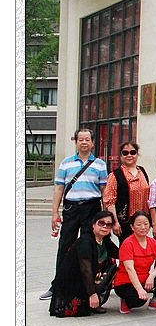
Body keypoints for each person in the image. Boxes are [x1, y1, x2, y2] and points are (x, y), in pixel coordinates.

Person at [41, 128, 108, 301]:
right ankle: (57, 285)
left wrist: (106, 215)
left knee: (89, 246)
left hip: (91, 208)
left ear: (93, 143)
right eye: (81, 139)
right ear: (76, 142)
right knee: (65, 245)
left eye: (87, 139)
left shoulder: (100, 164)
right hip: (71, 208)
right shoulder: (66, 163)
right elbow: (59, 188)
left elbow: (104, 191)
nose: (84, 142)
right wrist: (54, 212)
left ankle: (88, 286)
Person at [49, 211, 119, 317]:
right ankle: (90, 299)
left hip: (86, 279)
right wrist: (92, 294)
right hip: (74, 282)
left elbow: (121, 254)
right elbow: (86, 270)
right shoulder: (85, 242)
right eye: (101, 223)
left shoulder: (105, 240)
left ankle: (92, 300)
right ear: (93, 225)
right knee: (80, 309)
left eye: (108, 224)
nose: (105, 227)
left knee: (112, 267)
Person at [113, 211, 156, 314]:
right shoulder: (128, 243)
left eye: (146, 224)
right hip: (125, 282)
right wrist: (139, 289)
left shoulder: (152, 242)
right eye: (139, 224)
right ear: (132, 227)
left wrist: (151, 276)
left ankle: (154, 301)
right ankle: (125, 300)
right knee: (138, 300)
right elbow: (130, 269)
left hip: (144, 279)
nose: (143, 227)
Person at [103, 141, 150, 244]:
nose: (129, 155)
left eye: (132, 152)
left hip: (142, 221)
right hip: (125, 222)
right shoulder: (115, 175)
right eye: (125, 153)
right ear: (120, 156)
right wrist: (115, 222)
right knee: (127, 248)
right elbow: (110, 201)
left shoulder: (142, 171)